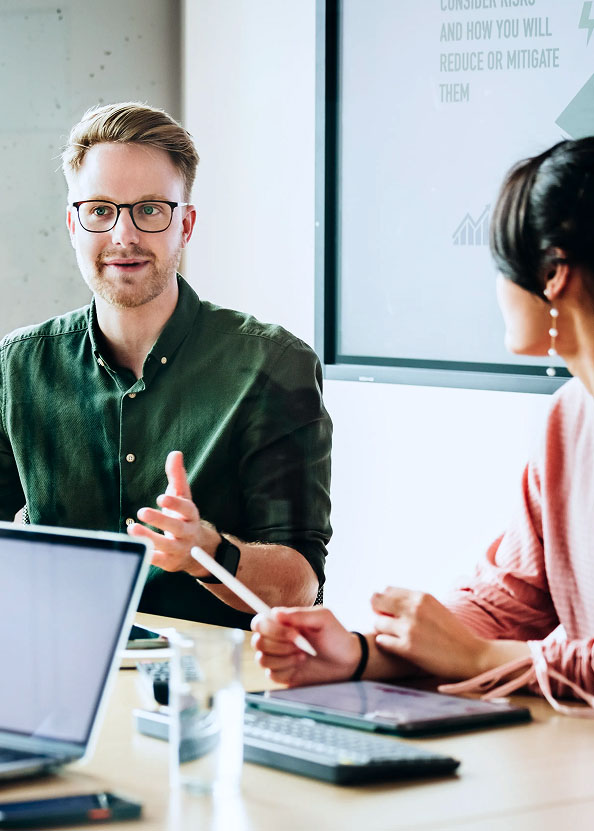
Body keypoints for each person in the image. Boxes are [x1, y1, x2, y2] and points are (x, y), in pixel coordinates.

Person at [251, 137, 594, 710]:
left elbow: (484, 647)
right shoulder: (567, 419)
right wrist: (364, 652)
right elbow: (504, 604)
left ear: (553, 272)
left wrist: (483, 661)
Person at [0, 102, 332, 628]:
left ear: (187, 225)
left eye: (151, 209)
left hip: (211, 688)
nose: (123, 236)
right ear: (73, 223)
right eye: (100, 210)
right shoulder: (17, 367)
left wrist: (206, 552)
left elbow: (299, 584)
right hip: (56, 670)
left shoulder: (272, 364)